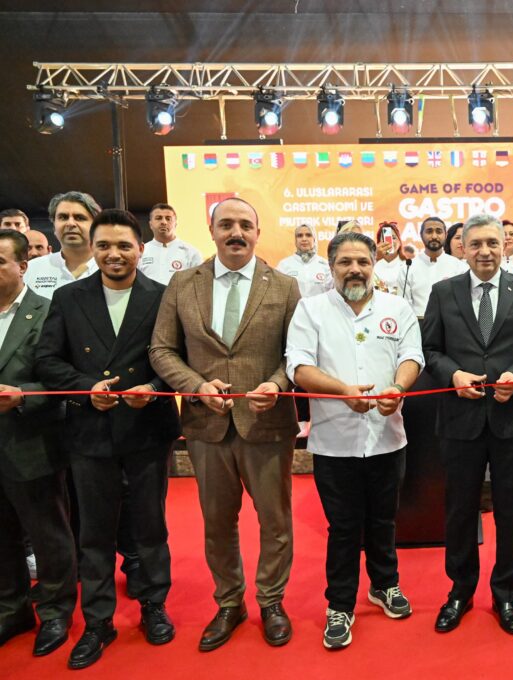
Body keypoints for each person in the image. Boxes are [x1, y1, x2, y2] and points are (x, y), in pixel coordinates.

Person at [149, 197, 301, 651]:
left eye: (245, 225)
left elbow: (297, 353)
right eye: (227, 224)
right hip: (205, 424)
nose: (236, 233)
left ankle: (271, 601)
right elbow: (161, 349)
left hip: (266, 421)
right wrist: (196, 386)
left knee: (275, 521)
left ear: (257, 233)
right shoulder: (183, 283)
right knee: (217, 522)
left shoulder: (285, 285)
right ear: (212, 230)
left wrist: (277, 384)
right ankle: (229, 602)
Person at [36, 209, 181, 669]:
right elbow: (47, 360)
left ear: (140, 248)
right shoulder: (68, 297)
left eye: (123, 245)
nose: (113, 254)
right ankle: (98, 621)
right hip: (89, 431)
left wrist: (153, 388)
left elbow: (178, 357)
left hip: (147, 429)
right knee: (94, 532)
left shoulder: (164, 296)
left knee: (150, 525)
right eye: (104, 246)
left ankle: (154, 604)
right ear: (92, 249)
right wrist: (86, 387)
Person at [287, 231, 423, 649]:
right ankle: (340, 605)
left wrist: (398, 388)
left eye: (362, 261)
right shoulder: (310, 310)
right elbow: (298, 367)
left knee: (384, 520)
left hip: (388, 438)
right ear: (331, 268)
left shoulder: (397, 308)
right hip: (334, 443)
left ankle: (384, 585)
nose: (355, 270)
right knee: (344, 527)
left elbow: (412, 357)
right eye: (345, 262)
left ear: (373, 264)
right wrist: (342, 391)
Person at [421, 214, 513, 636]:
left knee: (512, 512)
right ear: (462, 248)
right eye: (476, 243)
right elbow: (430, 349)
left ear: (504, 246)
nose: (485, 251)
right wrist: (453, 375)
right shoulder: (443, 292)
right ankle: (459, 591)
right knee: (460, 510)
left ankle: (506, 594)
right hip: (460, 420)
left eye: (492, 243)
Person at [0, 230, 77, 658]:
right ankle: (11, 608)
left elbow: (62, 380)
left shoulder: (47, 313)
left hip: (31, 442)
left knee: (48, 534)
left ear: (22, 266)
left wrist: (23, 396)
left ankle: (55, 610)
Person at [25, 191, 100, 299]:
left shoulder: (111, 268)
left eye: (79, 217)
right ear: (54, 226)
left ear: (95, 226)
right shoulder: (31, 269)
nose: (70, 223)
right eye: (63, 217)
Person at [404, 217, 468, 316]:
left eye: (439, 232)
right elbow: (404, 305)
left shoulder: (460, 267)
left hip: (450, 323)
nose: (434, 236)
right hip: (417, 323)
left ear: (445, 235)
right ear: (421, 235)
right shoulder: (408, 267)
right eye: (429, 231)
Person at [138, 203, 203, 285]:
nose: (164, 222)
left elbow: (200, 284)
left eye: (168, 219)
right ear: (150, 224)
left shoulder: (191, 252)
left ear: (175, 224)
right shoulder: (141, 251)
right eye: (158, 218)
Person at [276, 224, 332, 298]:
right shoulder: (284, 265)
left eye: (308, 235)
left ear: (314, 239)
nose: (304, 239)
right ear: (295, 241)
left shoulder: (326, 265)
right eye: (300, 236)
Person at [373, 221, 408, 295]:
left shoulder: (407, 265)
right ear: (378, 243)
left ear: (400, 242)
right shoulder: (372, 265)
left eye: (394, 238)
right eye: (385, 239)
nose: (390, 242)